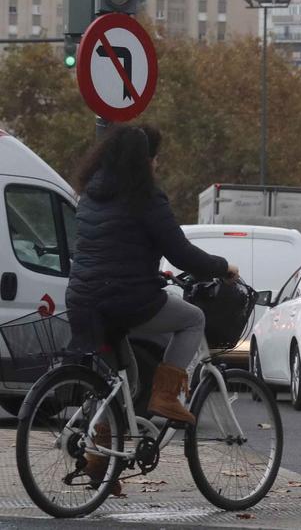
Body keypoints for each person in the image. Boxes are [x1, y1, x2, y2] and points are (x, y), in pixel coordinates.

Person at [67, 126, 237, 489]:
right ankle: (165, 396)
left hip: (83, 301)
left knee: (120, 381)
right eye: (154, 158)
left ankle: (100, 465)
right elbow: (181, 253)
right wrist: (223, 268)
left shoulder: (90, 194)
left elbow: (109, 246)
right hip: (127, 300)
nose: (157, 165)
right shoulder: (145, 197)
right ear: (145, 161)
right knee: (192, 318)